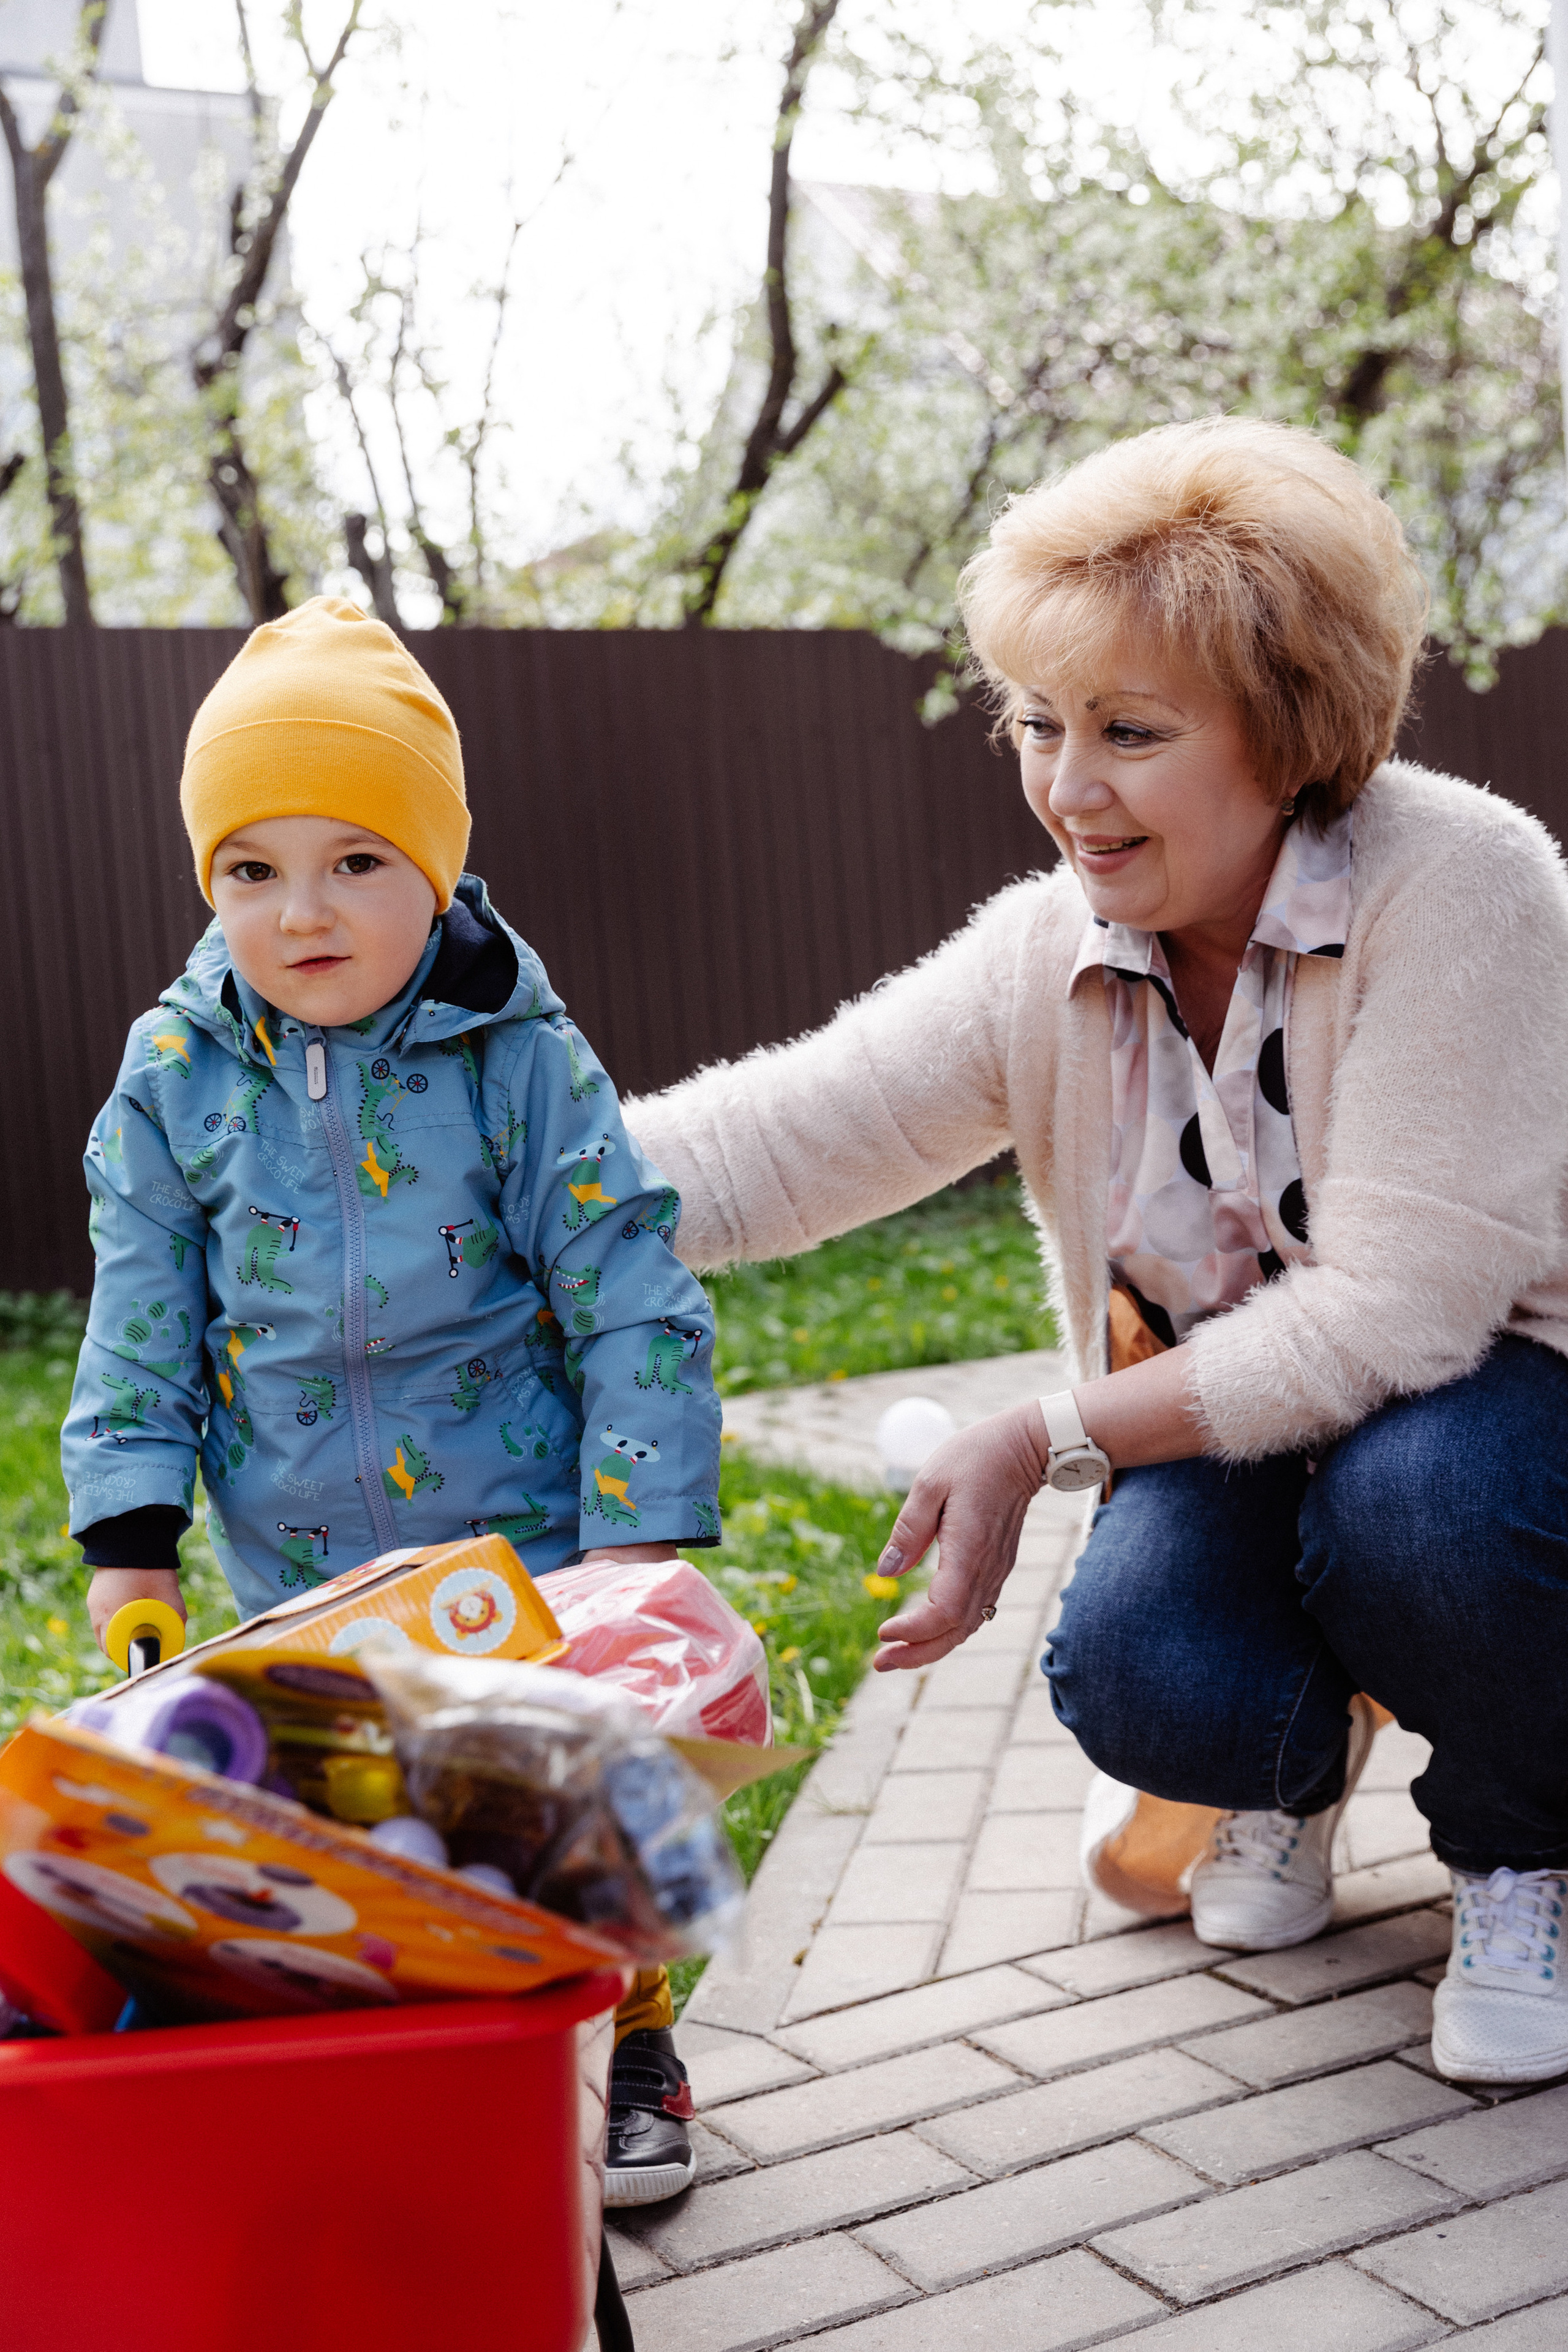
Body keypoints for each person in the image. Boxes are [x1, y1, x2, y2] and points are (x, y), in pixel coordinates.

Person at [628, 416, 1568, 2089]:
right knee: (1137, 1670)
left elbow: (1398, 1324)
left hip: (1492, 1416)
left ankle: (1522, 1843)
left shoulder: (1466, 886)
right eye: (1040, 724)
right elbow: (770, 1144)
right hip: (1230, 1426)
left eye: (1129, 731)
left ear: (1287, 736)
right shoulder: (1048, 951)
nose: (1069, 787)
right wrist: (471, 1182)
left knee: (1414, 1509)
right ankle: (1285, 1781)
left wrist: (1041, 1434)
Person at [61, 597, 716, 2201]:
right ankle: (423, 2060)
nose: (302, 913)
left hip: (528, 1543)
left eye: (357, 860)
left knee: (558, 1809)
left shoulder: (517, 1059)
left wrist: (637, 1544)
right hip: (295, 1553)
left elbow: (626, 1281)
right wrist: (129, 1540)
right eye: (251, 868)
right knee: (371, 1824)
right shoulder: (175, 1076)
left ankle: (629, 2041)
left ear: (439, 868)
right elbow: (141, 1303)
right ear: (208, 878)